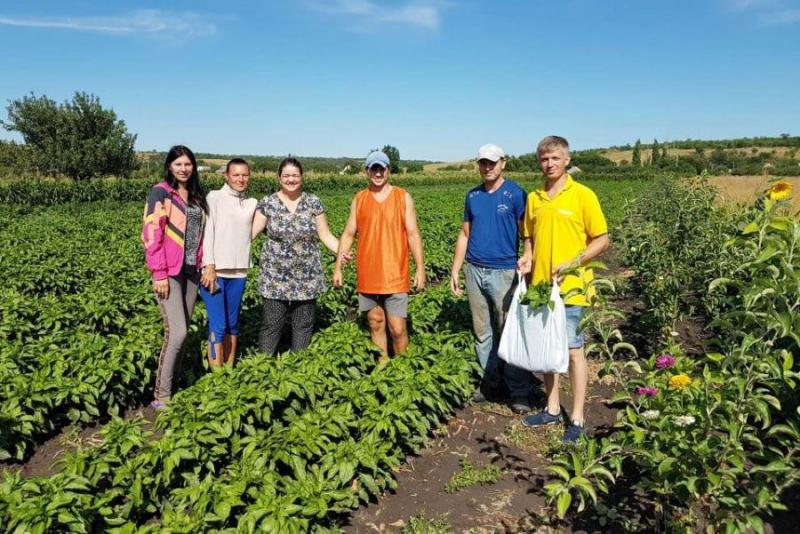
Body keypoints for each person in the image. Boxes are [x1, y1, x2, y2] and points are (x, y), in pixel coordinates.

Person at [517, 135, 609, 443]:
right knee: (547, 351)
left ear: (567, 159)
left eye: (555, 158)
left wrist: (573, 262)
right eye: (544, 159)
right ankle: (553, 407)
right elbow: (528, 236)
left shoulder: (583, 195)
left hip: (572, 288)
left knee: (572, 351)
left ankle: (578, 417)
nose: (549, 164)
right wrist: (528, 256)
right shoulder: (534, 198)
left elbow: (602, 239)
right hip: (541, 287)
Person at [450, 144, 532, 413]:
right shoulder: (472, 196)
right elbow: (464, 234)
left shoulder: (516, 194)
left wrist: (529, 258)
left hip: (504, 271)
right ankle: (489, 383)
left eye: (492, 163)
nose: (488, 167)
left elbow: (527, 233)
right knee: (482, 332)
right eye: (483, 163)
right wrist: (455, 269)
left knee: (510, 331)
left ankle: (518, 389)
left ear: (503, 163)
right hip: (474, 270)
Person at [333, 150, 425, 360]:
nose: (378, 173)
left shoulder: (402, 197)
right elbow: (348, 234)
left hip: (395, 274)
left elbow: (413, 234)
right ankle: (382, 367)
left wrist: (420, 268)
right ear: (367, 172)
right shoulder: (360, 199)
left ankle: (404, 369)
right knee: (375, 322)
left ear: (388, 171)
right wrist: (338, 267)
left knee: (398, 327)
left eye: (381, 168)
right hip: (368, 274)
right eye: (373, 168)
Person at [252, 157, 343, 354]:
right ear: (279, 178)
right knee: (271, 324)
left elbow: (325, 235)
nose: (291, 179)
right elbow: (250, 235)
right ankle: (263, 369)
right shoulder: (267, 203)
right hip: (274, 276)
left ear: (301, 177)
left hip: (307, 275)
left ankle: (298, 366)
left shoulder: (313, 202)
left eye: (295, 175)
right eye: (286, 175)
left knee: (303, 324)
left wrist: (343, 251)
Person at [141, 145, 208, 409]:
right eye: (178, 164)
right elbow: (151, 233)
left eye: (188, 164)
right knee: (177, 332)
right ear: (169, 166)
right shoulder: (160, 193)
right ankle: (162, 396)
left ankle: (176, 384)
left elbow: (200, 235)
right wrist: (158, 272)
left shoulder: (195, 196)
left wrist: (203, 264)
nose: (183, 169)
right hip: (168, 272)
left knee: (185, 330)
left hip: (191, 270)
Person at [198, 158, 257, 368]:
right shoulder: (214, 197)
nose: (241, 179)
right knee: (218, 325)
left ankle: (228, 371)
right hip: (215, 272)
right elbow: (208, 230)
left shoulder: (251, 203)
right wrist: (209, 265)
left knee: (232, 324)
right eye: (236, 175)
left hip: (239, 272)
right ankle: (216, 375)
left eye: (245, 175)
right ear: (226, 176)